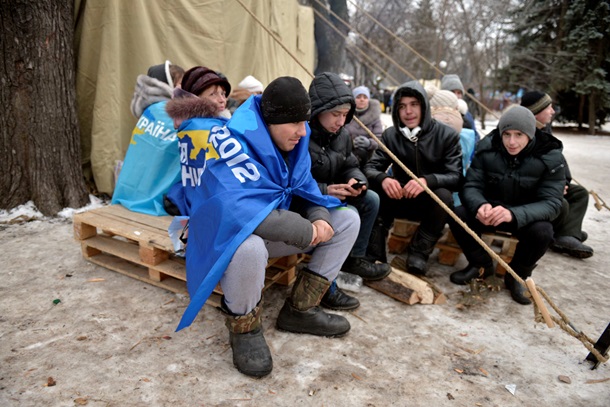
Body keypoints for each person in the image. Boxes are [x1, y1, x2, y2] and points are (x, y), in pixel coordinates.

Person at [172, 76, 361, 378]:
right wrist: (307, 231)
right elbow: (238, 213)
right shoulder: (231, 145)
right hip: (224, 237)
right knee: (248, 246)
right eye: (295, 123)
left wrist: (320, 216)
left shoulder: (293, 144)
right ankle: (244, 327)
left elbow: (305, 187)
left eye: (305, 121)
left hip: (275, 230)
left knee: (348, 219)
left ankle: (301, 309)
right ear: (271, 121)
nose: (303, 131)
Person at [448, 106, 566, 304]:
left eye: (519, 135)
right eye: (507, 134)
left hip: (524, 216)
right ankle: (481, 265)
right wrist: (479, 205)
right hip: (491, 210)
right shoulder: (488, 149)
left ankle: (517, 275)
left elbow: (553, 203)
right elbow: (472, 185)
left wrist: (513, 214)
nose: (512, 142)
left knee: (543, 232)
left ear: (530, 134)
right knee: (457, 213)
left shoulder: (550, 156)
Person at [307, 73, 391, 311]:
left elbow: (350, 164)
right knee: (347, 213)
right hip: (310, 201)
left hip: (334, 192)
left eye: (345, 115)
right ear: (318, 110)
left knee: (371, 199)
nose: (341, 122)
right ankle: (325, 279)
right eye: (335, 114)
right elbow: (293, 180)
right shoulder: (301, 135)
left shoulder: (342, 135)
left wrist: (357, 180)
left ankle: (354, 258)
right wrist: (325, 190)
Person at [363, 81, 463, 275]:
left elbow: (456, 176)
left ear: (424, 106)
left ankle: (419, 252)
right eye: (402, 106)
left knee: (444, 196)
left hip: (429, 204)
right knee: (374, 190)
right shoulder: (391, 135)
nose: (408, 111)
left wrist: (428, 181)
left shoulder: (446, 135)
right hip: (399, 197)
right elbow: (370, 167)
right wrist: (384, 178)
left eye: (414, 104)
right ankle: (375, 250)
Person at [521, 91, 593, 259]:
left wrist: (563, 183)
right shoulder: (523, 133)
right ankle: (565, 233)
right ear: (536, 111)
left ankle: (567, 234)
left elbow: (558, 162)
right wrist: (553, 188)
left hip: (550, 184)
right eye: (549, 107)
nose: (553, 111)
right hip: (533, 191)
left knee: (580, 193)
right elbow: (524, 174)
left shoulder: (545, 129)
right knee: (561, 204)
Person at [111, 61, 185, 215]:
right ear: (168, 84)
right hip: (153, 199)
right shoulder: (168, 114)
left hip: (129, 189)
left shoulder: (150, 111)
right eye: (180, 84)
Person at [162, 66, 232, 217]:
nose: (222, 99)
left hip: (192, 198)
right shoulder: (209, 128)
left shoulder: (189, 123)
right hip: (211, 207)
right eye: (213, 94)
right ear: (196, 97)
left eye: (223, 93)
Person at [344, 85, 383, 167]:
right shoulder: (345, 114)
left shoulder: (375, 118)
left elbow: (379, 140)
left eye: (365, 97)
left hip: (367, 159)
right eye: (358, 97)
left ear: (368, 99)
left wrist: (369, 143)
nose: (362, 99)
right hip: (345, 155)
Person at [440, 74, 480, 144]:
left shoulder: (467, 114)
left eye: (459, 92)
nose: (456, 96)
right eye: (452, 92)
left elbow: (475, 135)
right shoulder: (438, 113)